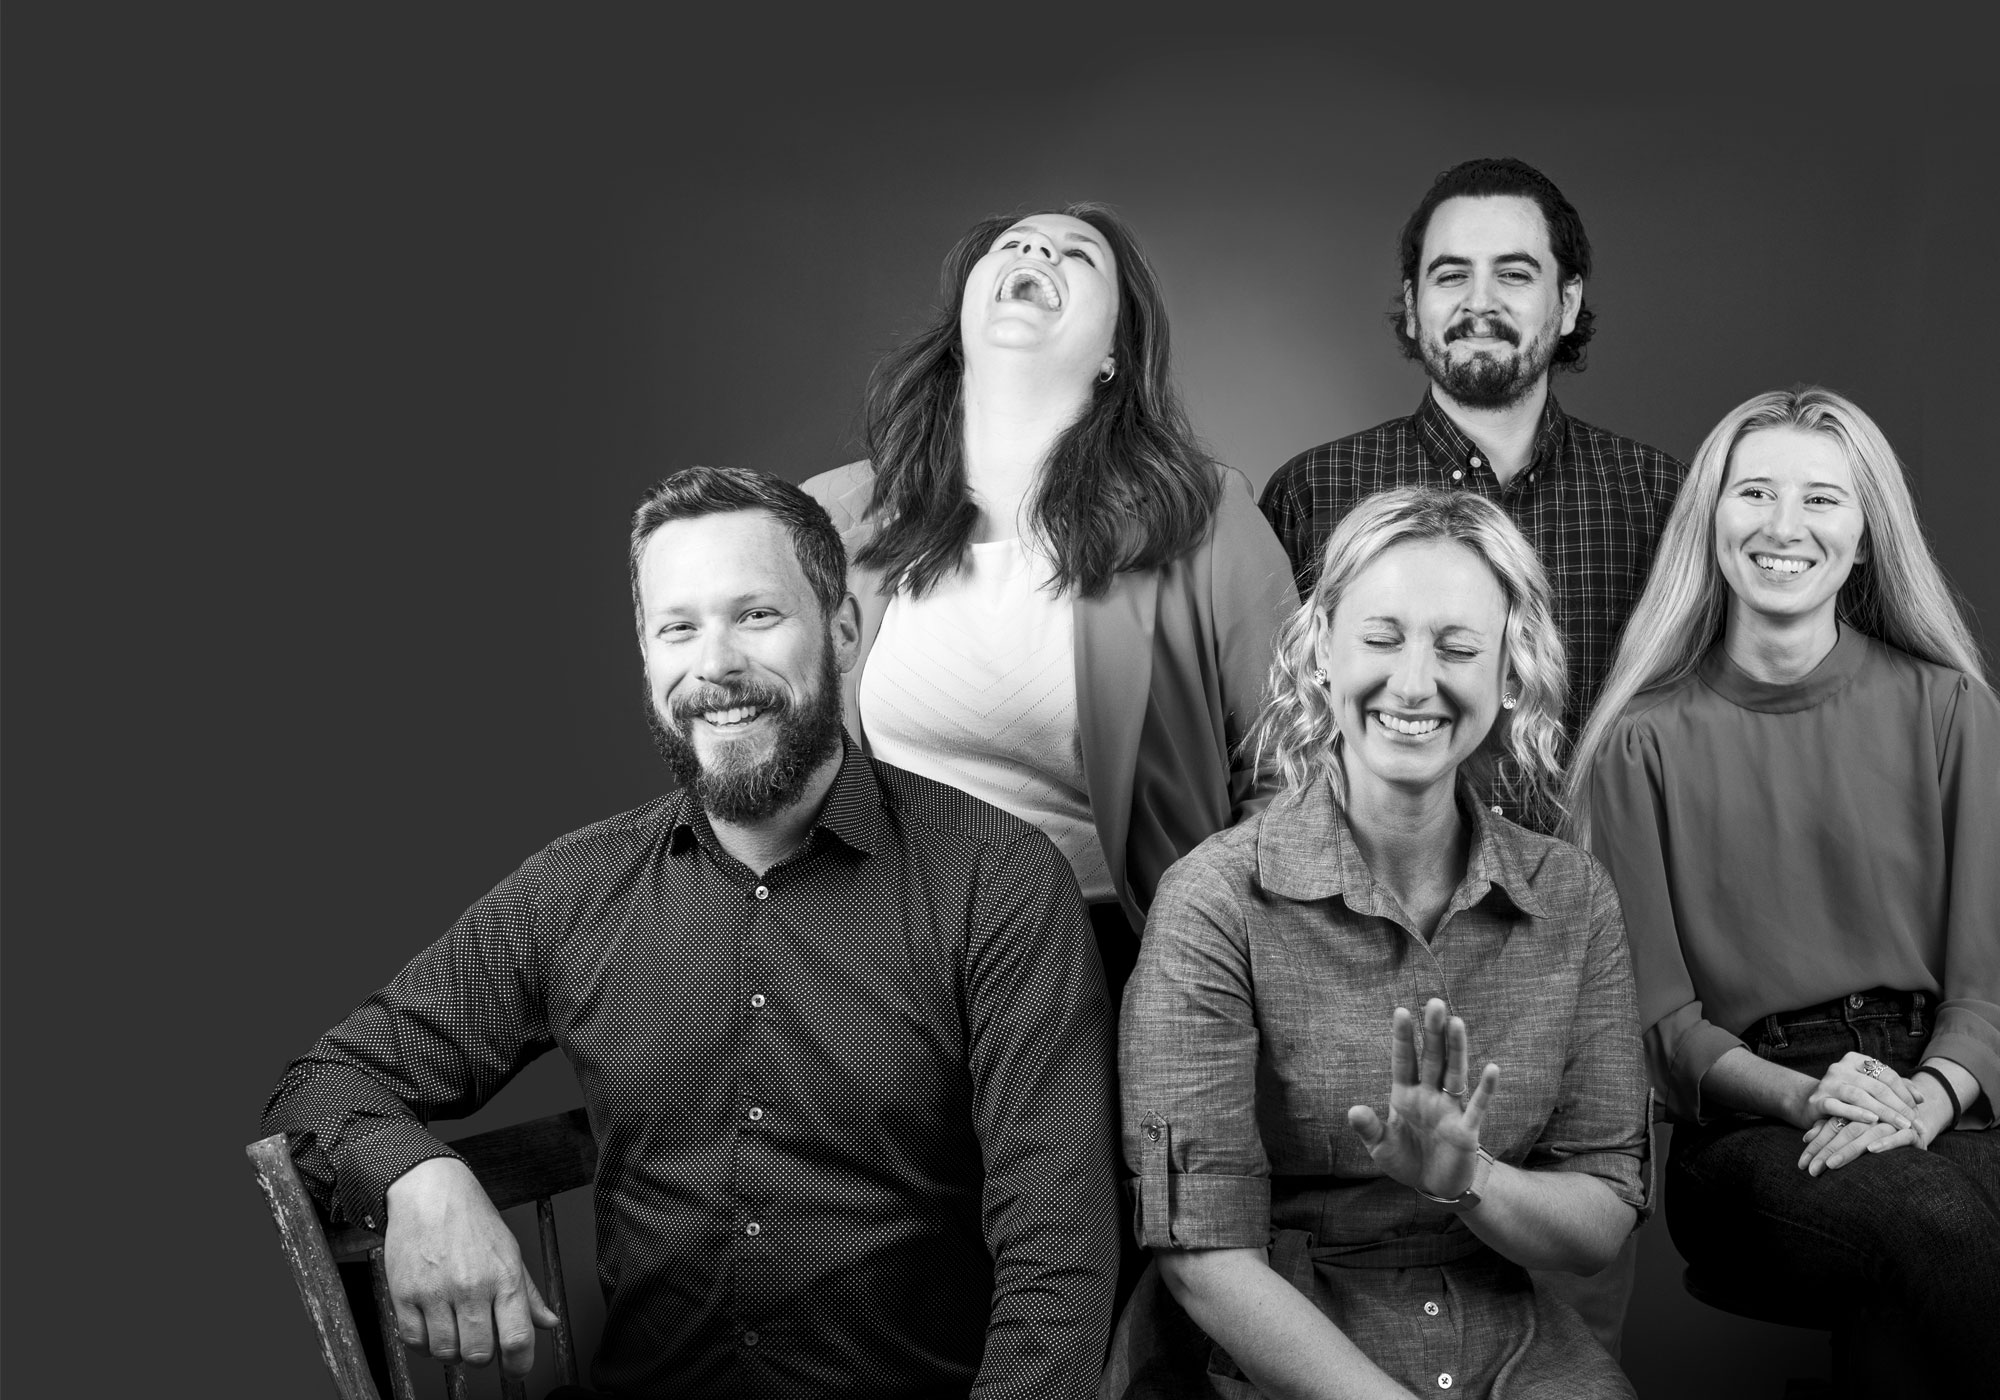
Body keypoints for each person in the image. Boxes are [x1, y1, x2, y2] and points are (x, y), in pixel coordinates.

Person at [260, 467, 1119, 1400]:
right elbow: (320, 1086)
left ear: (842, 631)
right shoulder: (574, 890)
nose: (714, 665)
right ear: (646, 655)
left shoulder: (998, 882)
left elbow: (1060, 1270)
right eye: (679, 628)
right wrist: (418, 1177)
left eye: (756, 616)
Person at [1119, 487, 1651, 1399]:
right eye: (1381, 637)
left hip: (1512, 1339)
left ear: (1508, 674)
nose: (1414, 682)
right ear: (1321, 651)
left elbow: (1601, 1216)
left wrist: (1469, 1178)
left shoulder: (1575, 898)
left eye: (1457, 648)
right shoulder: (1213, 900)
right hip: (1269, 1348)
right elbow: (1203, 1253)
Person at [1567, 386, 2000, 1394]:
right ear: (1708, 522)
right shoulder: (1638, 742)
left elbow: (1986, 983)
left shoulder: (1949, 709)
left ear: (1861, 541)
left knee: (1931, 1242)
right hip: (1749, 1118)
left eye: (1820, 500)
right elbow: (1659, 1025)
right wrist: (1811, 1095)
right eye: (1751, 491)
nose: (1780, 526)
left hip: (1935, 1083)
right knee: (1931, 1223)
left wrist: (1921, 1101)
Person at [803, 202, 1298, 1004]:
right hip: (882, 959)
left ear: (1113, 352)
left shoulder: (1204, 517)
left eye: (1080, 254)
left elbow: (1294, 766)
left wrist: (1210, 946)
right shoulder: (832, 519)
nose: (1037, 247)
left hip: (1115, 961)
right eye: (1014, 243)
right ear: (963, 320)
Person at [1259, 157, 1685, 829]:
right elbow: (1271, 737)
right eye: (1451, 274)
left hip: (1594, 912)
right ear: (1411, 301)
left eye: (1514, 275)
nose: (1479, 302)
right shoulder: (1313, 492)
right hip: (1366, 917)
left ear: (1567, 303)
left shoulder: (1657, 498)